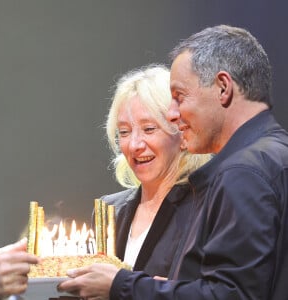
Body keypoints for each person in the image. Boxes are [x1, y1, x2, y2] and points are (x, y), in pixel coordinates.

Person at [58, 25, 288, 300]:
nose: (174, 113)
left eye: (179, 98)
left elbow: (231, 294)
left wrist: (126, 286)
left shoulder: (241, 171)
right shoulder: (274, 154)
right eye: (123, 132)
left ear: (223, 88)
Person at [97, 65, 211, 277]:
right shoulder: (109, 210)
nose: (134, 145)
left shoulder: (206, 207)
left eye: (149, 129)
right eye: (124, 132)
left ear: (182, 132)